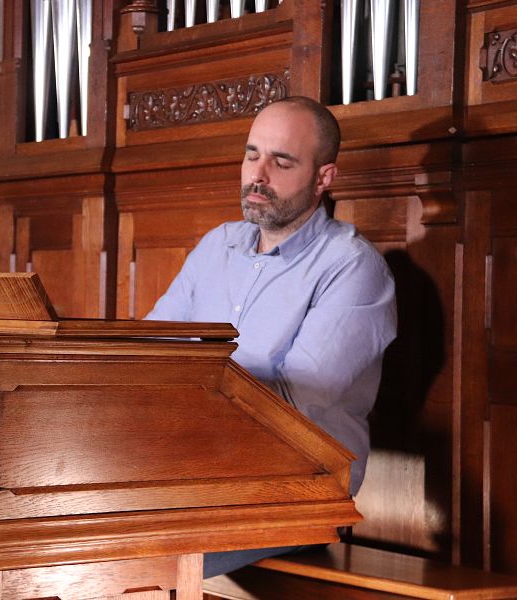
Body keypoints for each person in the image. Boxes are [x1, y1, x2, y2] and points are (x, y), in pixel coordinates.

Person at [145, 96, 397, 578]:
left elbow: (289, 408)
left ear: (323, 178)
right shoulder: (216, 245)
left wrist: (186, 395)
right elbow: (151, 352)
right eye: (251, 154)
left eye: (281, 161)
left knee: (122, 554)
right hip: (190, 471)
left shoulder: (352, 267)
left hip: (297, 491)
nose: (258, 174)